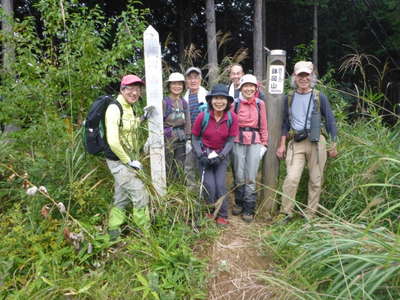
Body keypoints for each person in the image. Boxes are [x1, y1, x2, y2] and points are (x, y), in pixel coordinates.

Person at [276, 61, 338, 222]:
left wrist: (333, 144)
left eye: (307, 75)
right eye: (300, 75)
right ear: (294, 77)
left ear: (312, 77)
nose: (304, 78)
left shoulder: (319, 96)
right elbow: (285, 123)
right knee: (291, 178)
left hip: (317, 142)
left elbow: (330, 120)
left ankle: (310, 215)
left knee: (316, 180)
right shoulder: (288, 98)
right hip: (296, 142)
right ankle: (286, 213)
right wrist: (282, 144)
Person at [105, 74, 153, 240]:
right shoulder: (114, 108)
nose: (134, 93)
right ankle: (144, 232)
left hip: (128, 160)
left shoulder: (129, 107)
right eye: (130, 89)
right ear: (122, 89)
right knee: (140, 193)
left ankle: (113, 230)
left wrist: (143, 118)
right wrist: (129, 161)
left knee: (122, 195)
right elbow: (113, 141)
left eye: (137, 89)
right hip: (119, 162)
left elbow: (129, 126)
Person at [191, 84, 238, 226]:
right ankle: (209, 212)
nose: (219, 102)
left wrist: (222, 156)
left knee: (220, 185)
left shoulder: (232, 117)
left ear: (228, 101)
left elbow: (231, 140)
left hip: (221, 155)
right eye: (216, 98)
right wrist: (200, 155)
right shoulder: (203, 116)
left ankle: (222, 214)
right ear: (211, 100)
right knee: (209, 185)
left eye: (223, 99)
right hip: (205, 154)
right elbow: (194, 137)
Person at [231, 74, 268, 223]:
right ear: (241, 88)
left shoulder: (260, 104)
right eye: (246, 86)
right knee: (239, 174)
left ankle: (249, 207)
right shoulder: (234, 104)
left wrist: (264, 144)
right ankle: (239, 202)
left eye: (251, 86)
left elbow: (264, 125)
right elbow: (230, 123)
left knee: (251, 176)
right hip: (237, 140)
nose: (249, 89)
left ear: (256, 88)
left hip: (255, 141)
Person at [183, 67, 208, 190]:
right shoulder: (183, 98)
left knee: (203, 162)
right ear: (186, 80)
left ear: (200, 79)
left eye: (196, 77)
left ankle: (204, 188)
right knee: (189, 163)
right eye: (190, 78)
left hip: (204, 135)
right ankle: (191, 189)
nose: (193, 80)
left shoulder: (207, 96)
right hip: (189, 135)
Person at [163, 72, 191, 179]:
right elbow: (158, 122)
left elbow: (188, 121)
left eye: (179, 84)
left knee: (179, 166)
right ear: (169, 86)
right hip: (168, 139)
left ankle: (178, 189)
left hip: (181, 138)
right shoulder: (164, 102)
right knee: (168, 165)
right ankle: (167, 190)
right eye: (174, 84)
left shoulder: (183, 102)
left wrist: (188, 138)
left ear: (183, 86)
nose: (177, 86)